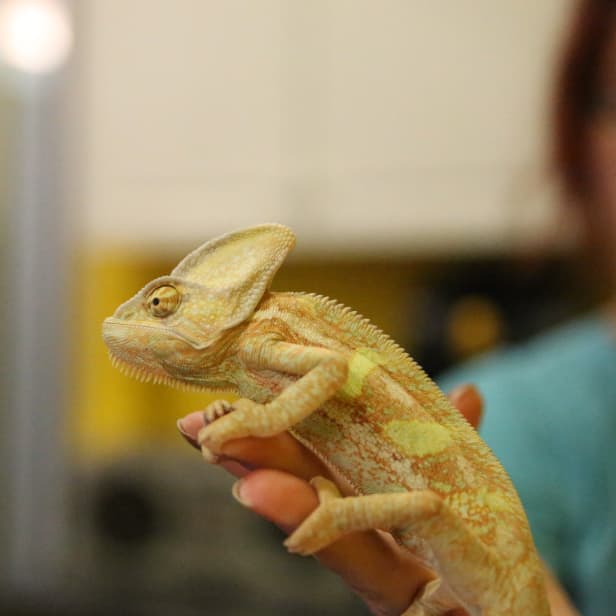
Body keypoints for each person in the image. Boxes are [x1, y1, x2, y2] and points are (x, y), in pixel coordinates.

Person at [178, 2, 616, 614]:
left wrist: (265, 426)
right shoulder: (526, 416)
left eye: (166, 305)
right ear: (577, 133)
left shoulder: (268, 333)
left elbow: (330, 377)